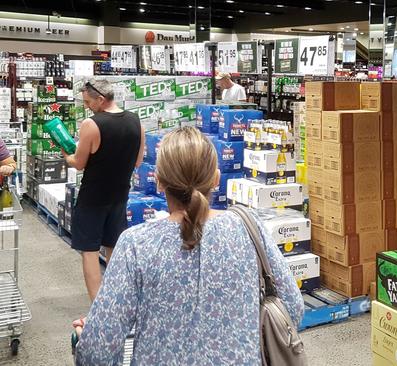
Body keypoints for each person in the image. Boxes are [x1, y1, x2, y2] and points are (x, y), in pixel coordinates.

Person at [73, 127, 304, 364]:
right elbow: (293, 309)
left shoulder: (137, 244)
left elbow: (97, 351)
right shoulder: (247, 228)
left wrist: (86, 338)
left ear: (160, 182)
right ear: (215, 179)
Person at [63, 79, 145, 301]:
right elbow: (138, 161)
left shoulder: (92, 124)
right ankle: (118, 299)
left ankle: (97, 305)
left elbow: (79, 163)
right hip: (120, 196)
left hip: (92, 198)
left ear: (100, 99)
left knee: (89, 251)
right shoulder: (136, 121)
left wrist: (66, 154)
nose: (87, 106)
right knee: (114, 249)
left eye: (88, 102)